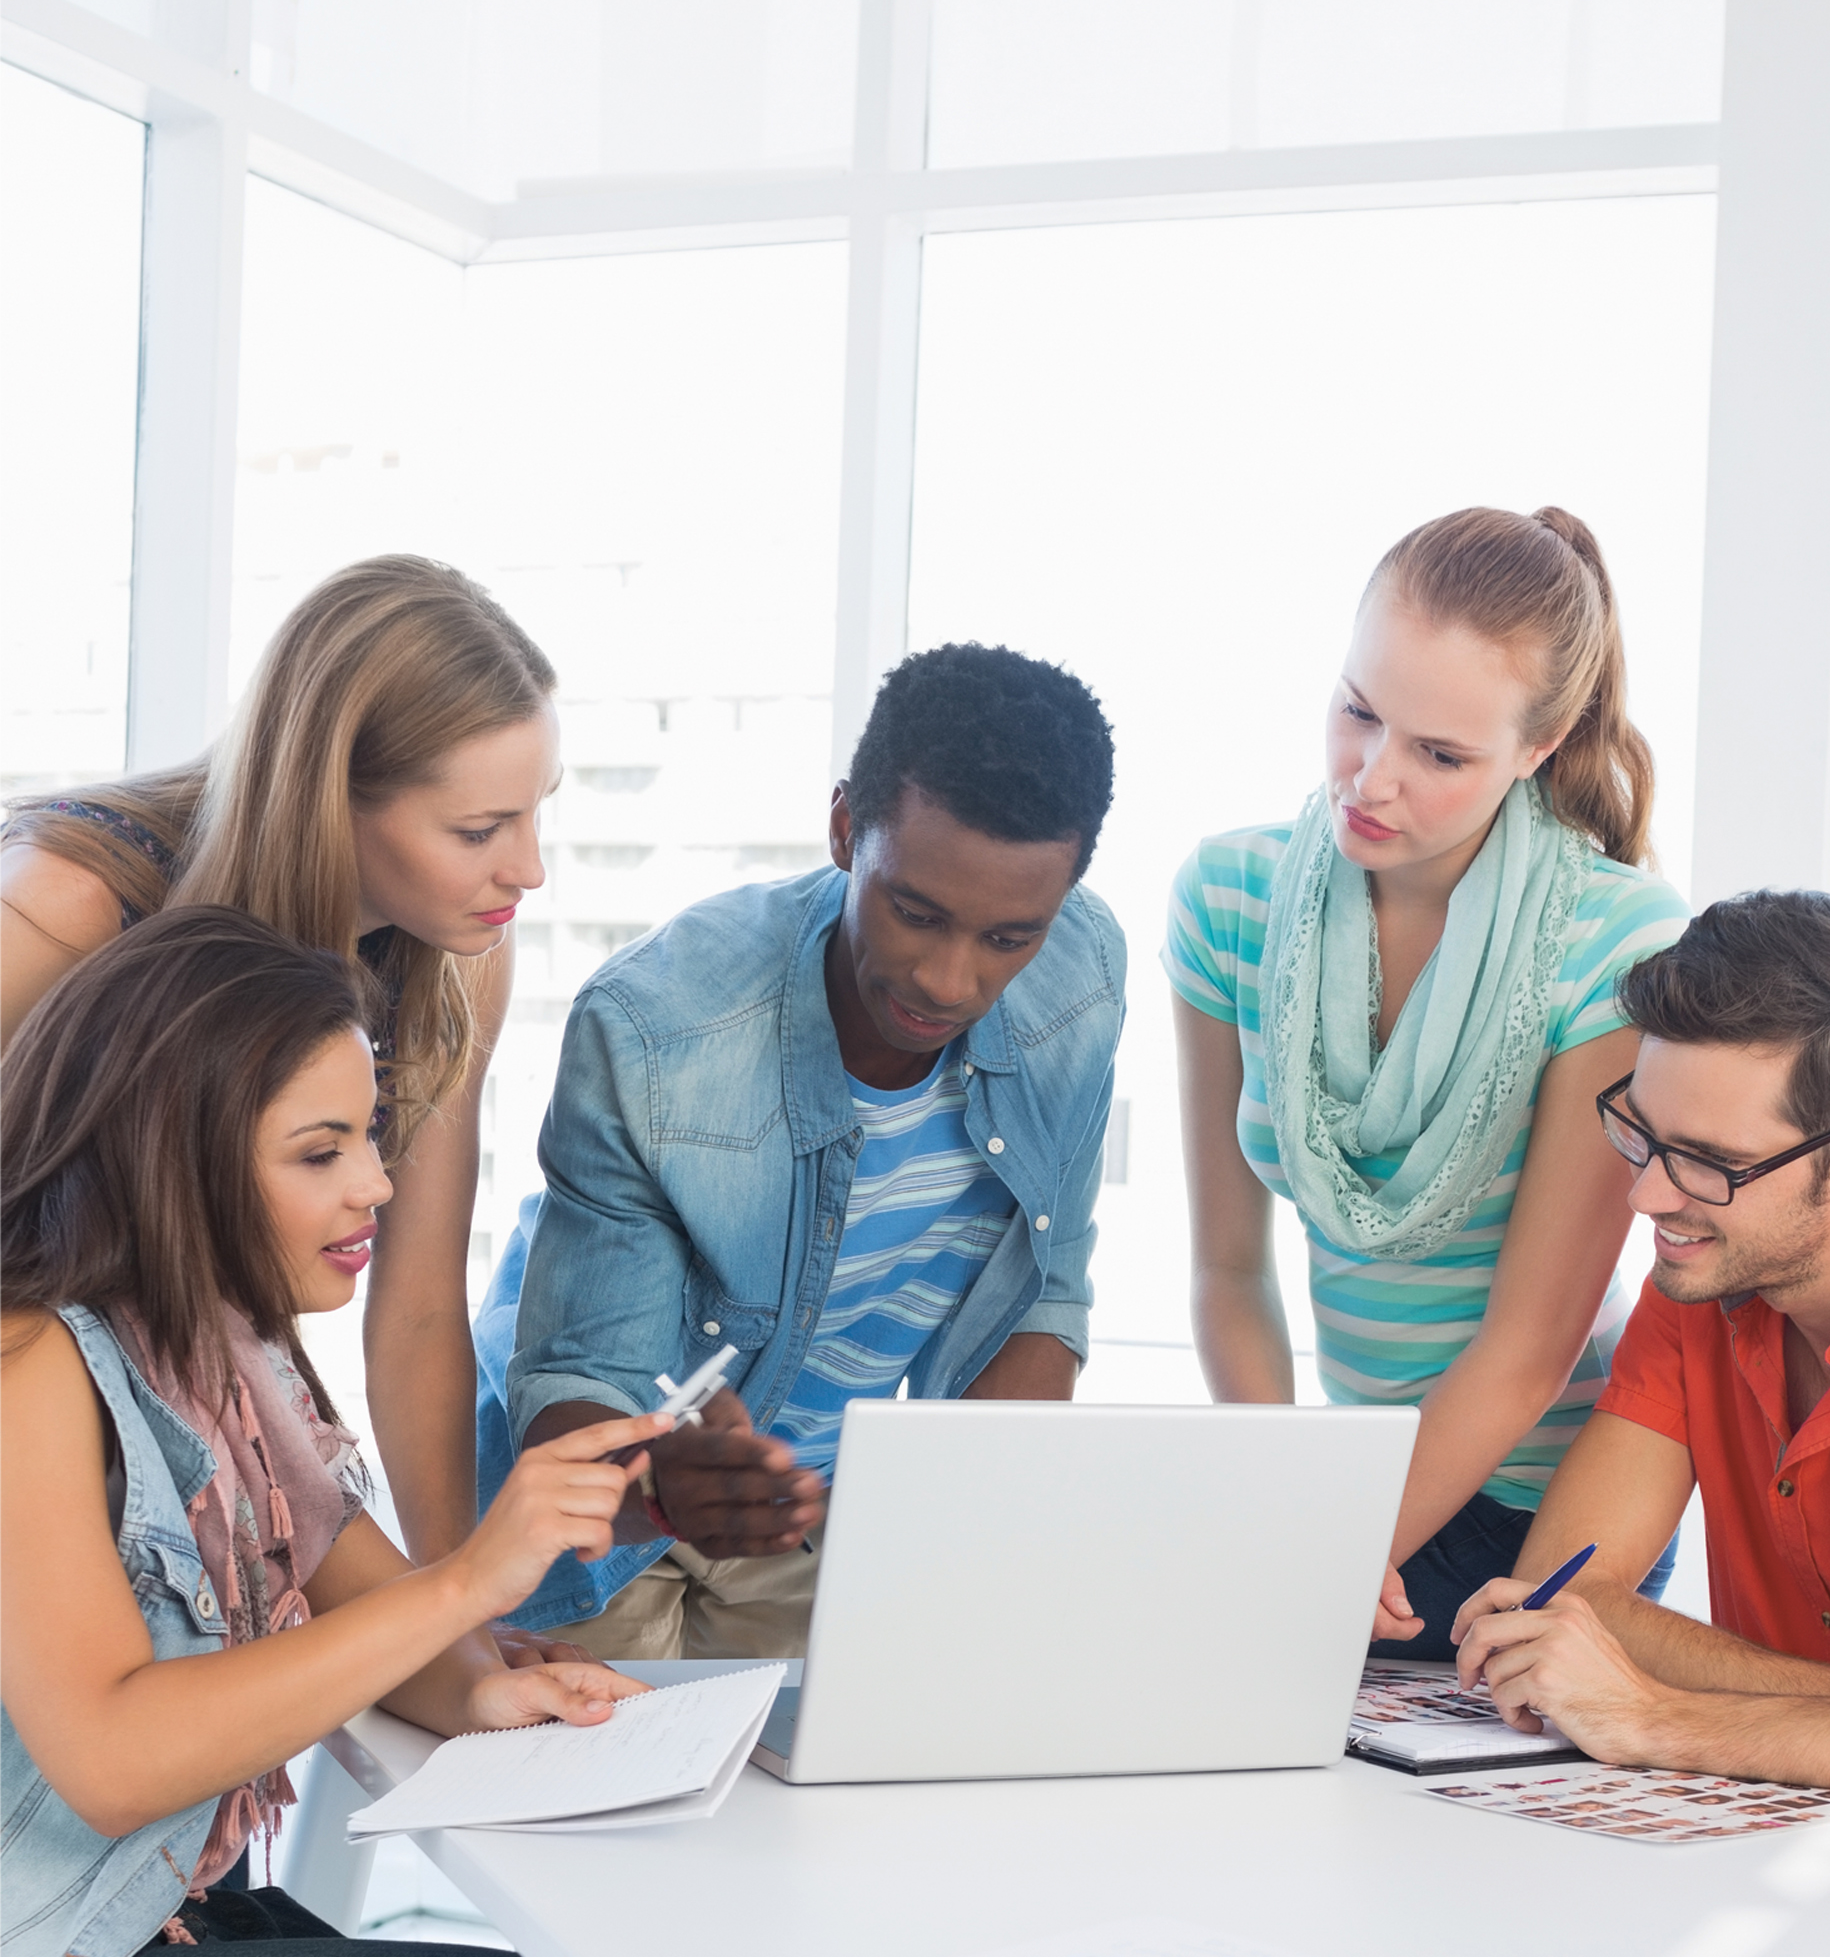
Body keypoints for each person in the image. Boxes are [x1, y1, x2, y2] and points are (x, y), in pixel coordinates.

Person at [0, 908, 676, 1956]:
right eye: (321, 1152)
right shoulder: (26, 1356)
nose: (377, 1183)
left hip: (175, 1917)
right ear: (172, 1159)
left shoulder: (228, 1352)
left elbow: (373, 1614)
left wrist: (483, 1688)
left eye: (368, 1133)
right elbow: (111, 1760)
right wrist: (473, 1577)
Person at [478, 643, 1123, 1658]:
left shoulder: (1081, 973)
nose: (950, 980)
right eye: (915, 912)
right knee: (585, 1798)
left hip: (819, 1522)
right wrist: (656, 1482)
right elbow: (580, 1380)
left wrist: (982, 1559)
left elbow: (1042, 1287)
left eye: (1008, 936)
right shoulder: (656, 1027)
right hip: (600, 1528)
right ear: (841, 830)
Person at [1167, 507, 1688, 1659]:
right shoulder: (1228, 897)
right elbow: (1223, 1265)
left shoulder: (1615, 939)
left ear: (1536, 749)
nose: (1371, 777)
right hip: (1348, 1487)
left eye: (1440, 754)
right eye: (1357, 710)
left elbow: (1532, 1340)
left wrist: (1338, 1546)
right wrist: (1287, 1514)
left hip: (1532, 1504)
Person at [1, 558, 562, 1593]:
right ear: (331, 795)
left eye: (538, 812)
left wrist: (451, 1611)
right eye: (478, 830)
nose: (528, 868)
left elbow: (421, 1308)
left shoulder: (459, 953)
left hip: (198, 1426)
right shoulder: (68, 907)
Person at [1452, 892, 1830, 1803]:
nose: (1648, 1200)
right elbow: (1563, 1593)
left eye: (1709, 1161)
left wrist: (1659, 1717)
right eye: (1643, 1134)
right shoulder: (1707, 1272)